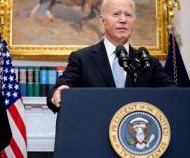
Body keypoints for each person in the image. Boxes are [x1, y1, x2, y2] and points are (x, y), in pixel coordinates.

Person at [47, 0, 175, 113]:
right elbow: (61, 87)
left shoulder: (148, 62)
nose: (123, 19)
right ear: (103, 22)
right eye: (116, 14)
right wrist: (57, 94)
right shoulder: (82, 59)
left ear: (133, 23)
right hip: (95, 135)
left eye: (128, 15)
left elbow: (174, 95)